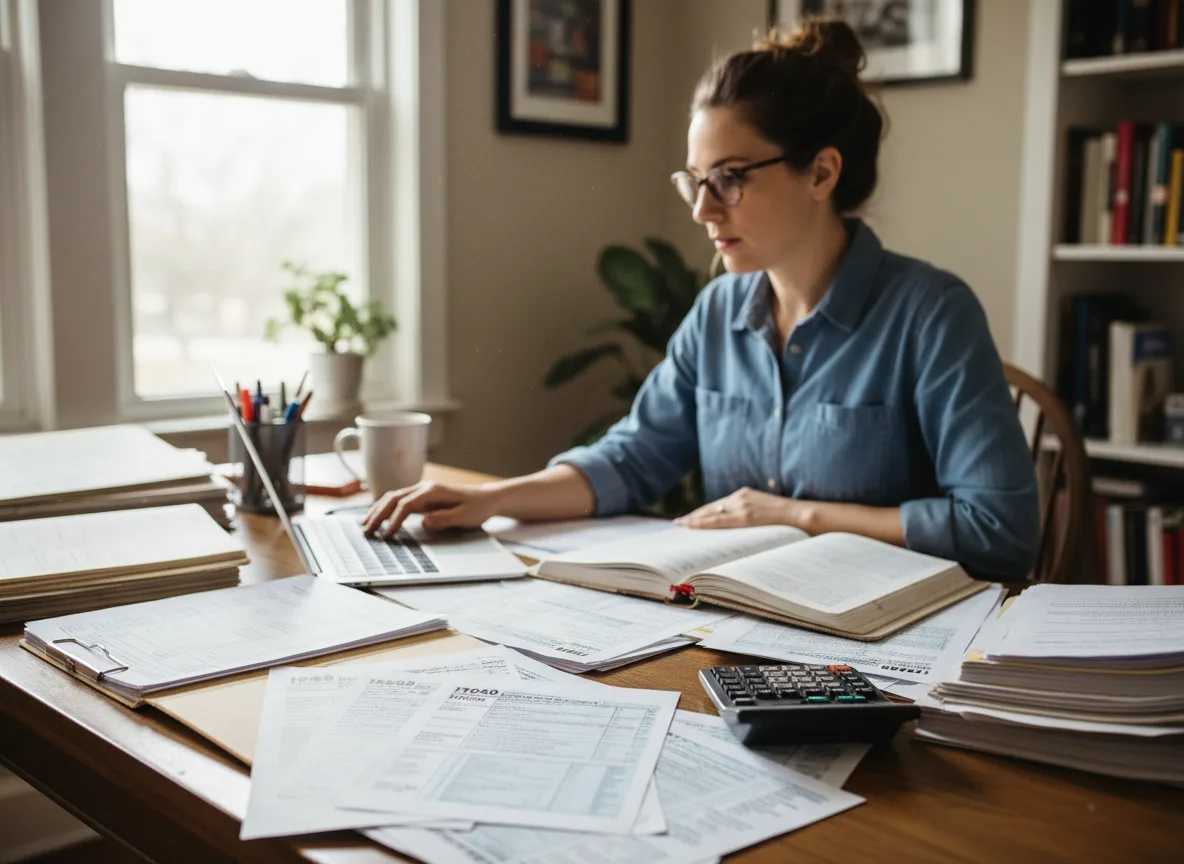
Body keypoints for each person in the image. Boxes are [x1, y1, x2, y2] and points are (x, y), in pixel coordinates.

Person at [364, 20, 1040, 582]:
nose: (703, 210)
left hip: (888, 646)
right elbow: (631, 459)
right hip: (738, 624)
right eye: (696, 181)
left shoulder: (932, 315)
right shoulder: (718, 312)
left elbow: (1001, 531)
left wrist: (799, 516)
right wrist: (487, 500)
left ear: (821, 172)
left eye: (731, 178)